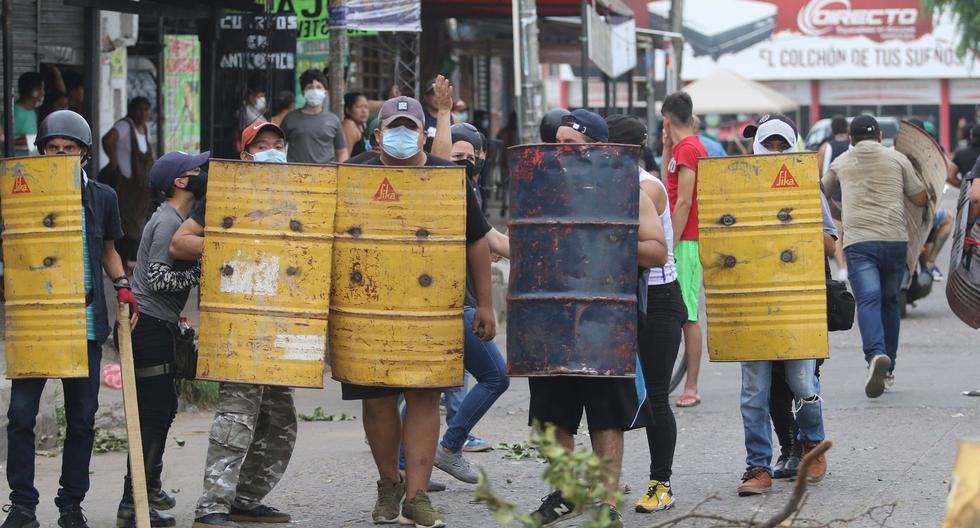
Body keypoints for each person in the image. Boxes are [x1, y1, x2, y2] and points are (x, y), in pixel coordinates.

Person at [342, 96, 496, 528]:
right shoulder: (353, 174)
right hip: (365, 310)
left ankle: (418, 495)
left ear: (424, 134)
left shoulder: (449, 178)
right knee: (376, 401)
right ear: (377, 135)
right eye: (394, 126)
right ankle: (389, 484)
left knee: (425, 395)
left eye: (411, 126)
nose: (403, 134)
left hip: (433, 310)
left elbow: (477, 240)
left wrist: (484, 304)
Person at [528, 109, 667, 528]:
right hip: (551, 315)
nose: (561, 150)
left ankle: (606, 501)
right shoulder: (542, 188)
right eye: (558, 143)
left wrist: (607, 235)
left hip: (607, 318)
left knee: (606, 414)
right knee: (552, 414)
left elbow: (657, 251)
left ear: (599, 147)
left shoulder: (628, 189)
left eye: (571, 144)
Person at [1, 110, 136, 528]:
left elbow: (109, 249)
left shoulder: (102, 197)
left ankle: (70, 505)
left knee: (82, 418)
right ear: (41, 150)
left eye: (69, 148)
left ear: (83, 154)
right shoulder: (16, 194)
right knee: (21, 416)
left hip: (86, 322)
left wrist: (122, 284)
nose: (60, 154)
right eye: (53, 148)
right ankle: (23, 505)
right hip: (35, 322)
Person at [171, 122, 295, 528]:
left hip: (283, 323)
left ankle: (244, 498)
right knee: (236, 415)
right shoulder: (225, 194)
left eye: (279, 144)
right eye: (263, 146)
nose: (272, 151)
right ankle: (212, 508)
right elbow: (181, 243)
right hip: (237, 321)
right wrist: (238, 243)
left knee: (279, 420)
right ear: (246, 155)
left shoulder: (302, 193)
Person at [736, 114, 830, 496]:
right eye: (768, 145)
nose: (774, 152)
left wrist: (795, 222)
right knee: (753, 390)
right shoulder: (736, 185)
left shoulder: (807, 184)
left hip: (797, 299)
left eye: (781, 145)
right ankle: (757, 467)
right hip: (750, 300)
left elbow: (830, 242)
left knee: (801, 381)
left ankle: (813, 444)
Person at [115, 150, 208, 528]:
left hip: (159, 326)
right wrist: (203, 271)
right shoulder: (168, 220)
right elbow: (157, 278)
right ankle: (132, 502)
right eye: (196, 171)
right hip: (149, 327)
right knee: (152, 417)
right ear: (181, 182)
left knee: (164, 410)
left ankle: (148, 486)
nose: (203, 174)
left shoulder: (176, 217)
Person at [604, 114, 682, 514]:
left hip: (658, 299)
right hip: (622, 298)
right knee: (608, 395)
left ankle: (661, 483)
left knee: (655, 394)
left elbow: (651, 252)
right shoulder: (611, 182)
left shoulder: (644, 188)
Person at [823, 115, 929, 399]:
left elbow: (821, 192)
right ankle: (889, 368)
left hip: (860, 243)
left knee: (869, 300)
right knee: (890, 301)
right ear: (880, 136)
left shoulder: (842, 161)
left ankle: (875, 356)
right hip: (894, 239)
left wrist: (839, 210)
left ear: (851, 138)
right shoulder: (897, 160)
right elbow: (920, 197)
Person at [661, 92, 709, 408]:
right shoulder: (680, 149)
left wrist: (670, 245)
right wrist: (666, 147)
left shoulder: (690, 150)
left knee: (689, 315)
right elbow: (668, 186)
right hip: (683, 240)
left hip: (688, 242)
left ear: (666, 121)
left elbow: (684, 201)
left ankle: (691, 385)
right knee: (680, 313)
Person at [102, 97, 156, 267]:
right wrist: (114, 161)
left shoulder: (144, 129)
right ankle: (122, 261)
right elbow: (107, 140)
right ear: (132, 110)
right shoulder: (125, 126)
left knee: (137, 222)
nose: (143, 113)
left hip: (141, 188)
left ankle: (131, 260)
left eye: (146, 110)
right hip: (125, 185)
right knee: (124, 222)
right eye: (139, 109)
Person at [280, 69, 348, 164]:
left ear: (325, 92)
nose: (314, 90)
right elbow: (278, 146)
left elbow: (342, 152)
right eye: (310, 87)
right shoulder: (290, 118)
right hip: (295, 175)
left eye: (319, 87)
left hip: (326, 175)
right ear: (303, 93)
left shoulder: (333, 120)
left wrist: (342, 174)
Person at [819, 115, 850, 280]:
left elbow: (818, 173)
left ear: (831, 129)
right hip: (851, 195)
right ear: (847, 129)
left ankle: (842, 268)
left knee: (836, 233)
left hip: (833, 198)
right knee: (848, 232)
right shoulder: (853, 147)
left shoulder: (825, 148)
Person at [8, 72, 44, 156]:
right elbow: (5, 142)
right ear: (34, 91)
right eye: (42, 89)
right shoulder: (14, 113)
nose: (43, 93)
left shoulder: (32, 112)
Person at [420, 76, 456, 152]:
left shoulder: (454, 118)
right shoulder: (420, 117)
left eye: (441, 93)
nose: (438, 97)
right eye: (434, 93)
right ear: (426, 97)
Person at [342, 92, 371, 158]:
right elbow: (344, 158)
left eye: (366, 107)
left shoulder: (361, 125)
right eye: (359, 106)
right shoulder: (349, 125)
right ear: (348, 110)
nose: (364, 111)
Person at [951, 124, 980, 188]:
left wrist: (964, 187)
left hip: (968, 195)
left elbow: (950, 176)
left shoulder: (961, 154)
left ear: (971, 136)